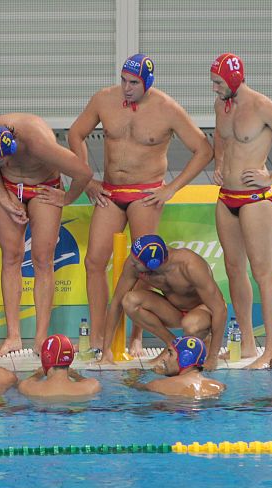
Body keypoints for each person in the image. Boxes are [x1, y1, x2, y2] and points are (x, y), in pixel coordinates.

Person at [67, 54, 213, 356]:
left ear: (147, 83)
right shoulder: (104, 99)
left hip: (145, 193)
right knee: (94, 262)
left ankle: (135, 337)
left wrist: (171, 188)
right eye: (123, 80)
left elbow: (203, 149)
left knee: (144, 267)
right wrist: (87, 179)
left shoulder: (167, 109)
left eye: (133, 82)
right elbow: (75, 133)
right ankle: (97, 336)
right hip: (109, 191)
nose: (126, 87)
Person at [210, 53, 272, 369]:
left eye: (218, 83)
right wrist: (218, 163)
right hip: (225, 198)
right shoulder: (222, 106)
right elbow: (219, 136)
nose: (214, 89)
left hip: (255, 200)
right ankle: (247, 344)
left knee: (262, 272)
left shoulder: (261, 106)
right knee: (233, 269)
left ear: (233, 79)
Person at [0, 115, 93, 355]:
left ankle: (40, 338)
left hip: (45, 188)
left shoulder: (39, 142)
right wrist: (3, 196)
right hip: (10, 188)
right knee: (11, 258)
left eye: (1, 159)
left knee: (43, 260)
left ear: (14, 147)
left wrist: (67, 198)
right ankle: (14, 336)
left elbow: (83, 173)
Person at [98, 235, 226, 370]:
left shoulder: (190, 265)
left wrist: (212, 358)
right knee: (129, 301)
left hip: (201, 311)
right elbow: (117, 302)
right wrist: (106, 350)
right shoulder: (133, 264)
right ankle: (172, 345)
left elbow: (220, 309)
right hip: (173, 311)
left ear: (153, 264)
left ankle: (204, 341)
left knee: (191, 324)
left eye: (136, 263)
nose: (131, 263)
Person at [18, 334, 101, 399]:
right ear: (71, 358)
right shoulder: (90, 388)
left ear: (46, 358)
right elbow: (93, 382)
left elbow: (24, 383)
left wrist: (39, 374)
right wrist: (75, 375)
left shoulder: (30, 389)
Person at [140, 336, 225, 398]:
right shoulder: (219, 387)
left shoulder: (157, 385)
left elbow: (134, 386)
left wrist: (135, 375)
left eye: (170, 353)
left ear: (184, 358)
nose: (164, 359)